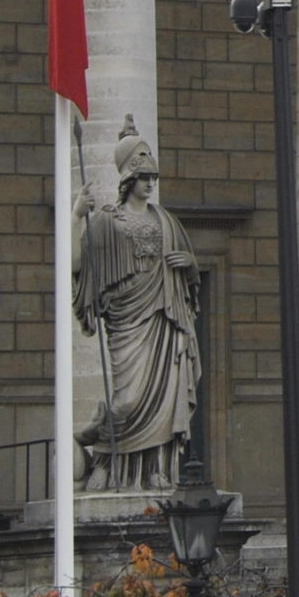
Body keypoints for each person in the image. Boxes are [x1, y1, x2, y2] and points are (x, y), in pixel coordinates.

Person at [72, 118, 201, 492]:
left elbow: (190, 278)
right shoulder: (108, 222)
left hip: (165, 317)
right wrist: (77, 214)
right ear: (129, 177)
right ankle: (102, 451)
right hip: (126, 321)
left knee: (165, 395)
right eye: (143, 175)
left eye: (153, 177)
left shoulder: (167, 221)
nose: (149, 183)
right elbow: (77, 266)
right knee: (127, 403)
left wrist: (191, 266)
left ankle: (155, 470)